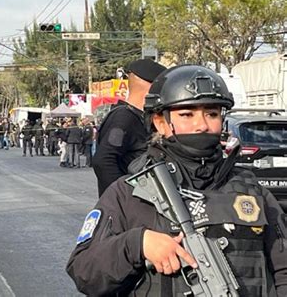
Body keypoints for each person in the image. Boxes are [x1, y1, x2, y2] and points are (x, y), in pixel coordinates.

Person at [67, 65, 287, 296]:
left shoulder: (251, 192)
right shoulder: (128, 193)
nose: (201, 125)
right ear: (160, 122)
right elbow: (84, 273)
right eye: (186, 114)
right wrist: (136, 244)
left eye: (211, 114)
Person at [93, 59, 166, 197]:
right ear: (151, 89)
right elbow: (103, 161)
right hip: (128, 210)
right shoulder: (124, 118)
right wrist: (125, 197)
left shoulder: (139, 117)